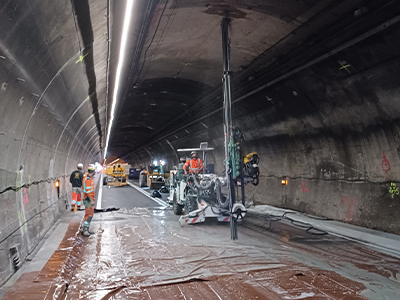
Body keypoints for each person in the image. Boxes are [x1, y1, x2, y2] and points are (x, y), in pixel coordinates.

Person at [82, 164, 96, 236]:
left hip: (89, 199)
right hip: (88, 200)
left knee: (90, 214)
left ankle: (87, 229)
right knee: (88, 214)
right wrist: (92, 200)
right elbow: (88, 192)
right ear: (93, 171)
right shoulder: (87, 180)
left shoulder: (89, 179)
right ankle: (85, 230)